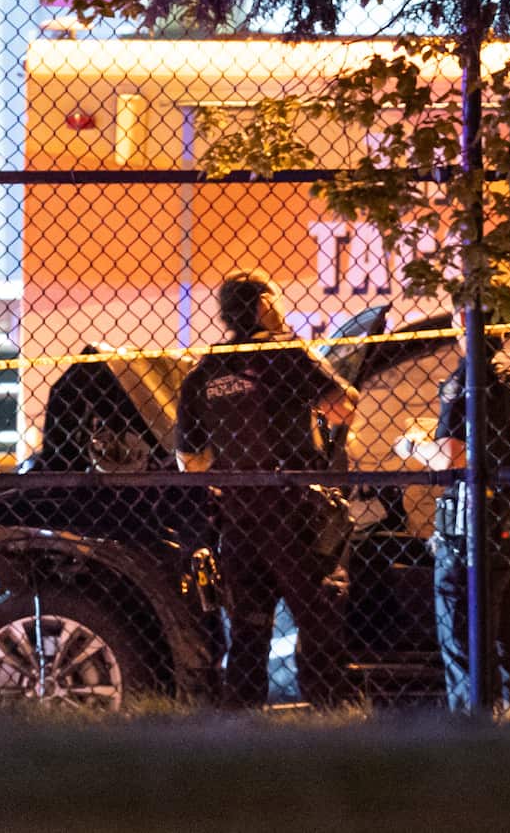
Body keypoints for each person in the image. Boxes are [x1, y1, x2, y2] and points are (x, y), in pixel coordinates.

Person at [176, 269, 359, 708]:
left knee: (248, 625)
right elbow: (342, 406)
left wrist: (230, 474)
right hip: (294, 510)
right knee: (317, 615)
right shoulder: (286, 354)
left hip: (239, 516)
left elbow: (189, 459)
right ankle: (330, 708)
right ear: (263, 304)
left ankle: (242, 716)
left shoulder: (205, 369)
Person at [394, 309, 510, 712]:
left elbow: (450, 455)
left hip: (469, 531)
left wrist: (413, 444)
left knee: (463, 642)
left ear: (462, 322)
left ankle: (473, 726)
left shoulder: (466, 378)